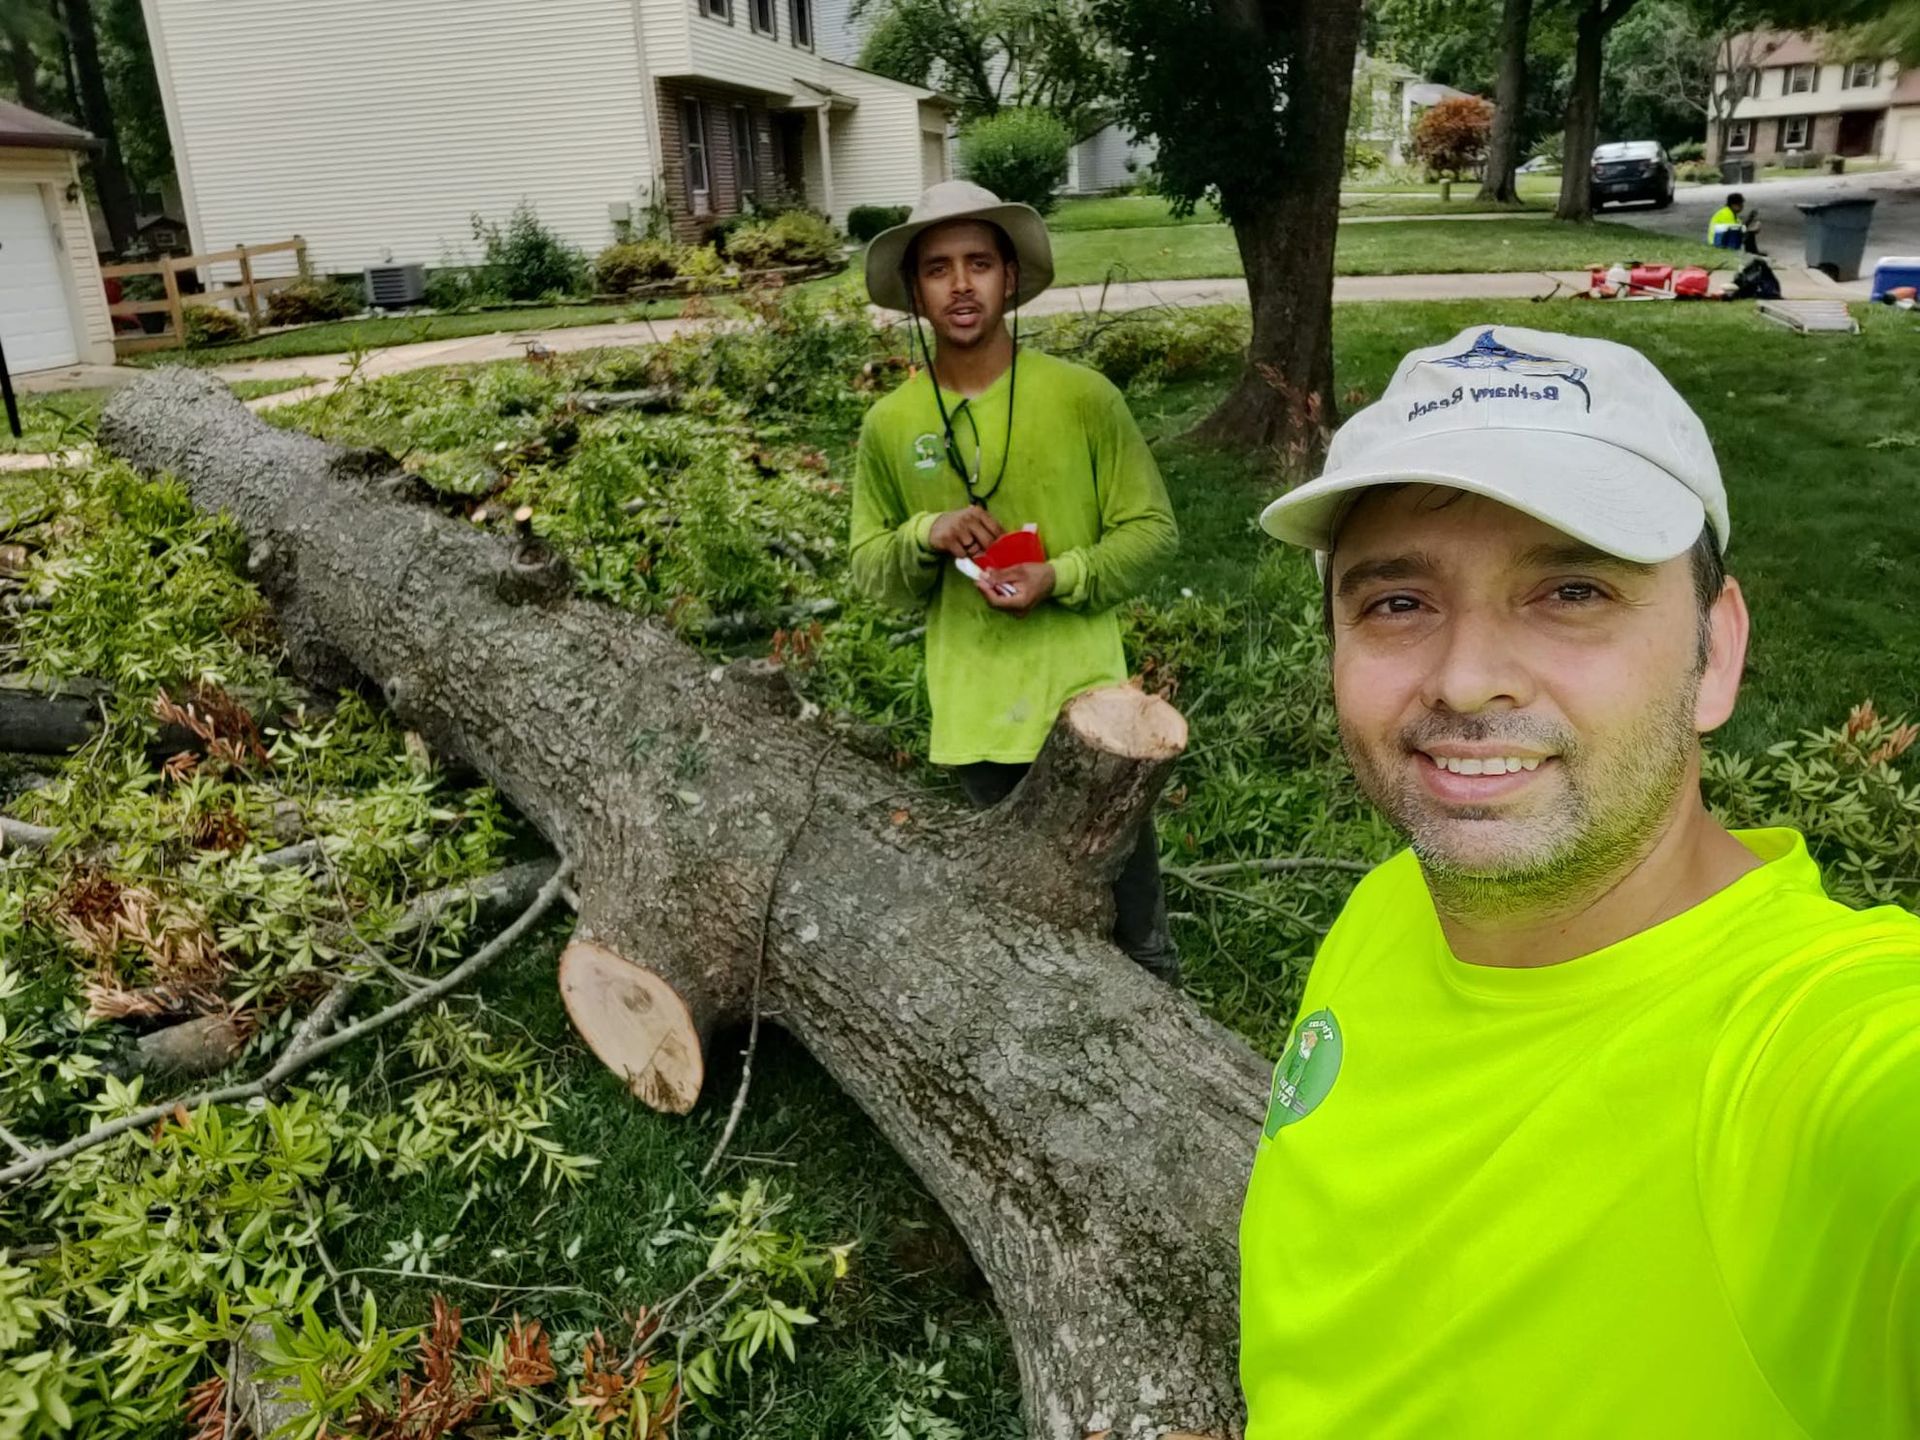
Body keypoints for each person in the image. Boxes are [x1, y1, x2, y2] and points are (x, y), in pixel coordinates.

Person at [1239, 323, 1920, 1437]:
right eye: (1397, 603)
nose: (1466, 679)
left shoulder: (1817, 1051)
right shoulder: (1387, 907)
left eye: (1572, 591)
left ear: (1718, 653)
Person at [850, 181, 1181, 979]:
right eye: (938, 269)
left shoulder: (1082, 400)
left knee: (1137, 922)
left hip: (1091, 708)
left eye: (978, 264)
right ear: (916, 292)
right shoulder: (891, 425)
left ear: (1009, 277)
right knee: (1027, 921)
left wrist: (1060, 574)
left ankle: (1163, 1020)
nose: (961, 286)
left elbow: (1154, 533)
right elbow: (872, 574)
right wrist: (922, 533)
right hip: (977, 710)